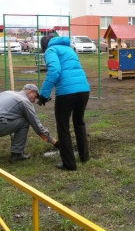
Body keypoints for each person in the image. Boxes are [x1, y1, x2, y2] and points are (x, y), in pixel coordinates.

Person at [38, 35, 90, 171]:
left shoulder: (51, 51)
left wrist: (43, 95)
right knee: (79, 122)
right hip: (84, 89)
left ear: (44, 46)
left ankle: (69, 163)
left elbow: (54, 71)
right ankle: (84, 156)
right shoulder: (69, 49)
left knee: (63, 126)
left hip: (67, 92)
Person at [0, 84, 58, 162]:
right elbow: (37, 126)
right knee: (25, 121)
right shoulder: (24, 101)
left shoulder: (8, 93)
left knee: (15, 118)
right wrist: (53, 141)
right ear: (31, 91)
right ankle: (17, 154)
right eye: (35, 97)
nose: (34, 101)